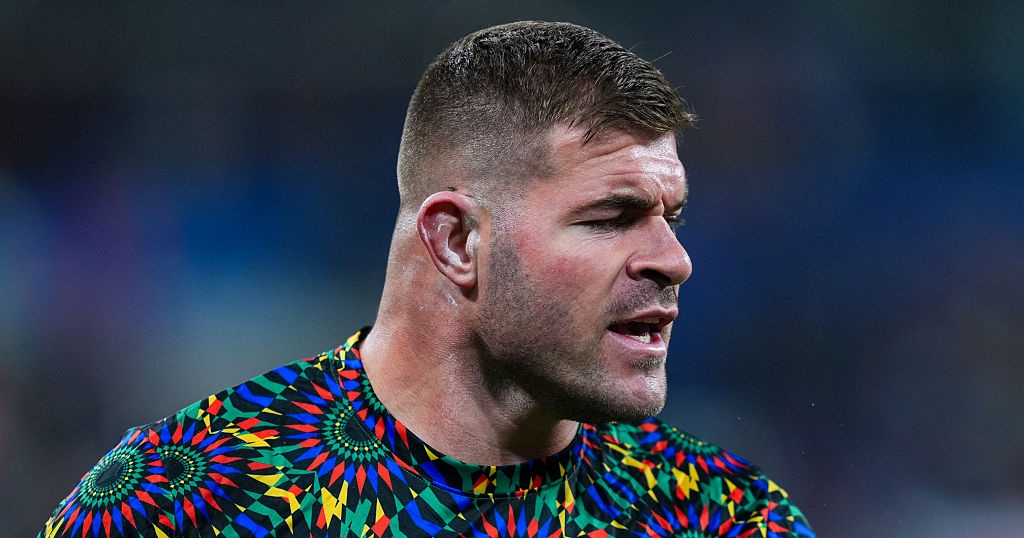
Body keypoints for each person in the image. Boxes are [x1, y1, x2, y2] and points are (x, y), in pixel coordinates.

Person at [38, 21, 814, 537]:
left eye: (671, 217)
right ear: (456, 241)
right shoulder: (186, 497)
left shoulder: (727, 514)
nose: (673, 259)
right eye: (612, 217)